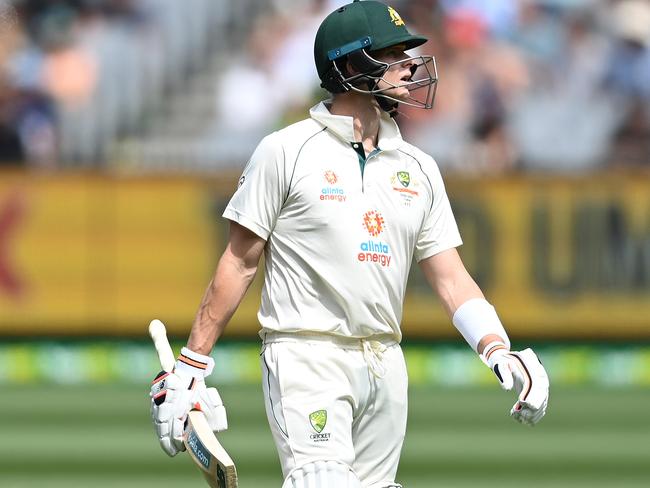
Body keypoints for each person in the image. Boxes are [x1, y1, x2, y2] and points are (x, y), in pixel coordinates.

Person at [149, 2, 550, 487]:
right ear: (351, 65)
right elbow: (240, 261)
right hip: (305, 354)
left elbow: (451, 277)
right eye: (393, 53)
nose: (409, 65)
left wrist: (498, 350)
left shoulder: (419, 169)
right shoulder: (286, 150)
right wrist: (192, 364)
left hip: (385, 362)